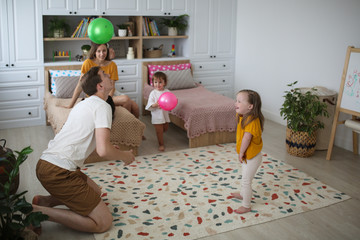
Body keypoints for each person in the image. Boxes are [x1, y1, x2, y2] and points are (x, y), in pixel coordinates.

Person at [32, 66, 135, 233]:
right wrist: (124, 156)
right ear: (100, 86)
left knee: (95, 191)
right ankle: (38, 213)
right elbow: (103, 151)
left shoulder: (83, 104)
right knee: (103, 222)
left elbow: (83, 141)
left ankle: (45, 202)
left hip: (47, 165)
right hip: (58, 172)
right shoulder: (102, 106)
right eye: (105, 75)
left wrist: (107, 147)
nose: (109, 76)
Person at [65, 42, 140, 119]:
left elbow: (112, 87)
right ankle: (125, 121)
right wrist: (71, 105)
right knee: (126, 99)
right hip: (96, 94)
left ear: (107, 51)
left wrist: (108, 100)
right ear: (94, 52)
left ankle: (133, 127)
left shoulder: (112, 65)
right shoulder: (87, 63)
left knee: (135, 107)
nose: (102, 54)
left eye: (104, 51)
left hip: (110, 93)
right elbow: (80, 85)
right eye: (99, 51)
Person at [231, 89, 264, 214]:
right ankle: (242, 194)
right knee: (244, 177)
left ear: (250, 106)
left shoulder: (252, 121)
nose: (236, 103)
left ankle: (246, 205)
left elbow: (247, 138)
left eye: (239, 101)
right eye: (236, 100)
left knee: (246, 181)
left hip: (252, 157)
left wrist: (241, 152)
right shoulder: (243, 115)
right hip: (248, 155)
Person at [145, 72, 171, 151]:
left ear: (164, 83)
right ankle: (161, 144)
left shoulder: (167, 92)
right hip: (157, 116)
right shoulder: (153, 93)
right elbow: (149, 104)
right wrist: (155, 105)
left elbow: (171, 100)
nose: (157, 84)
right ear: (152, 83)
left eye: (160, 82)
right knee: (159, 131)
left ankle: (161, 136)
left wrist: (172, 102)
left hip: (165, 115)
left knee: (165, 128)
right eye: (155, 82)